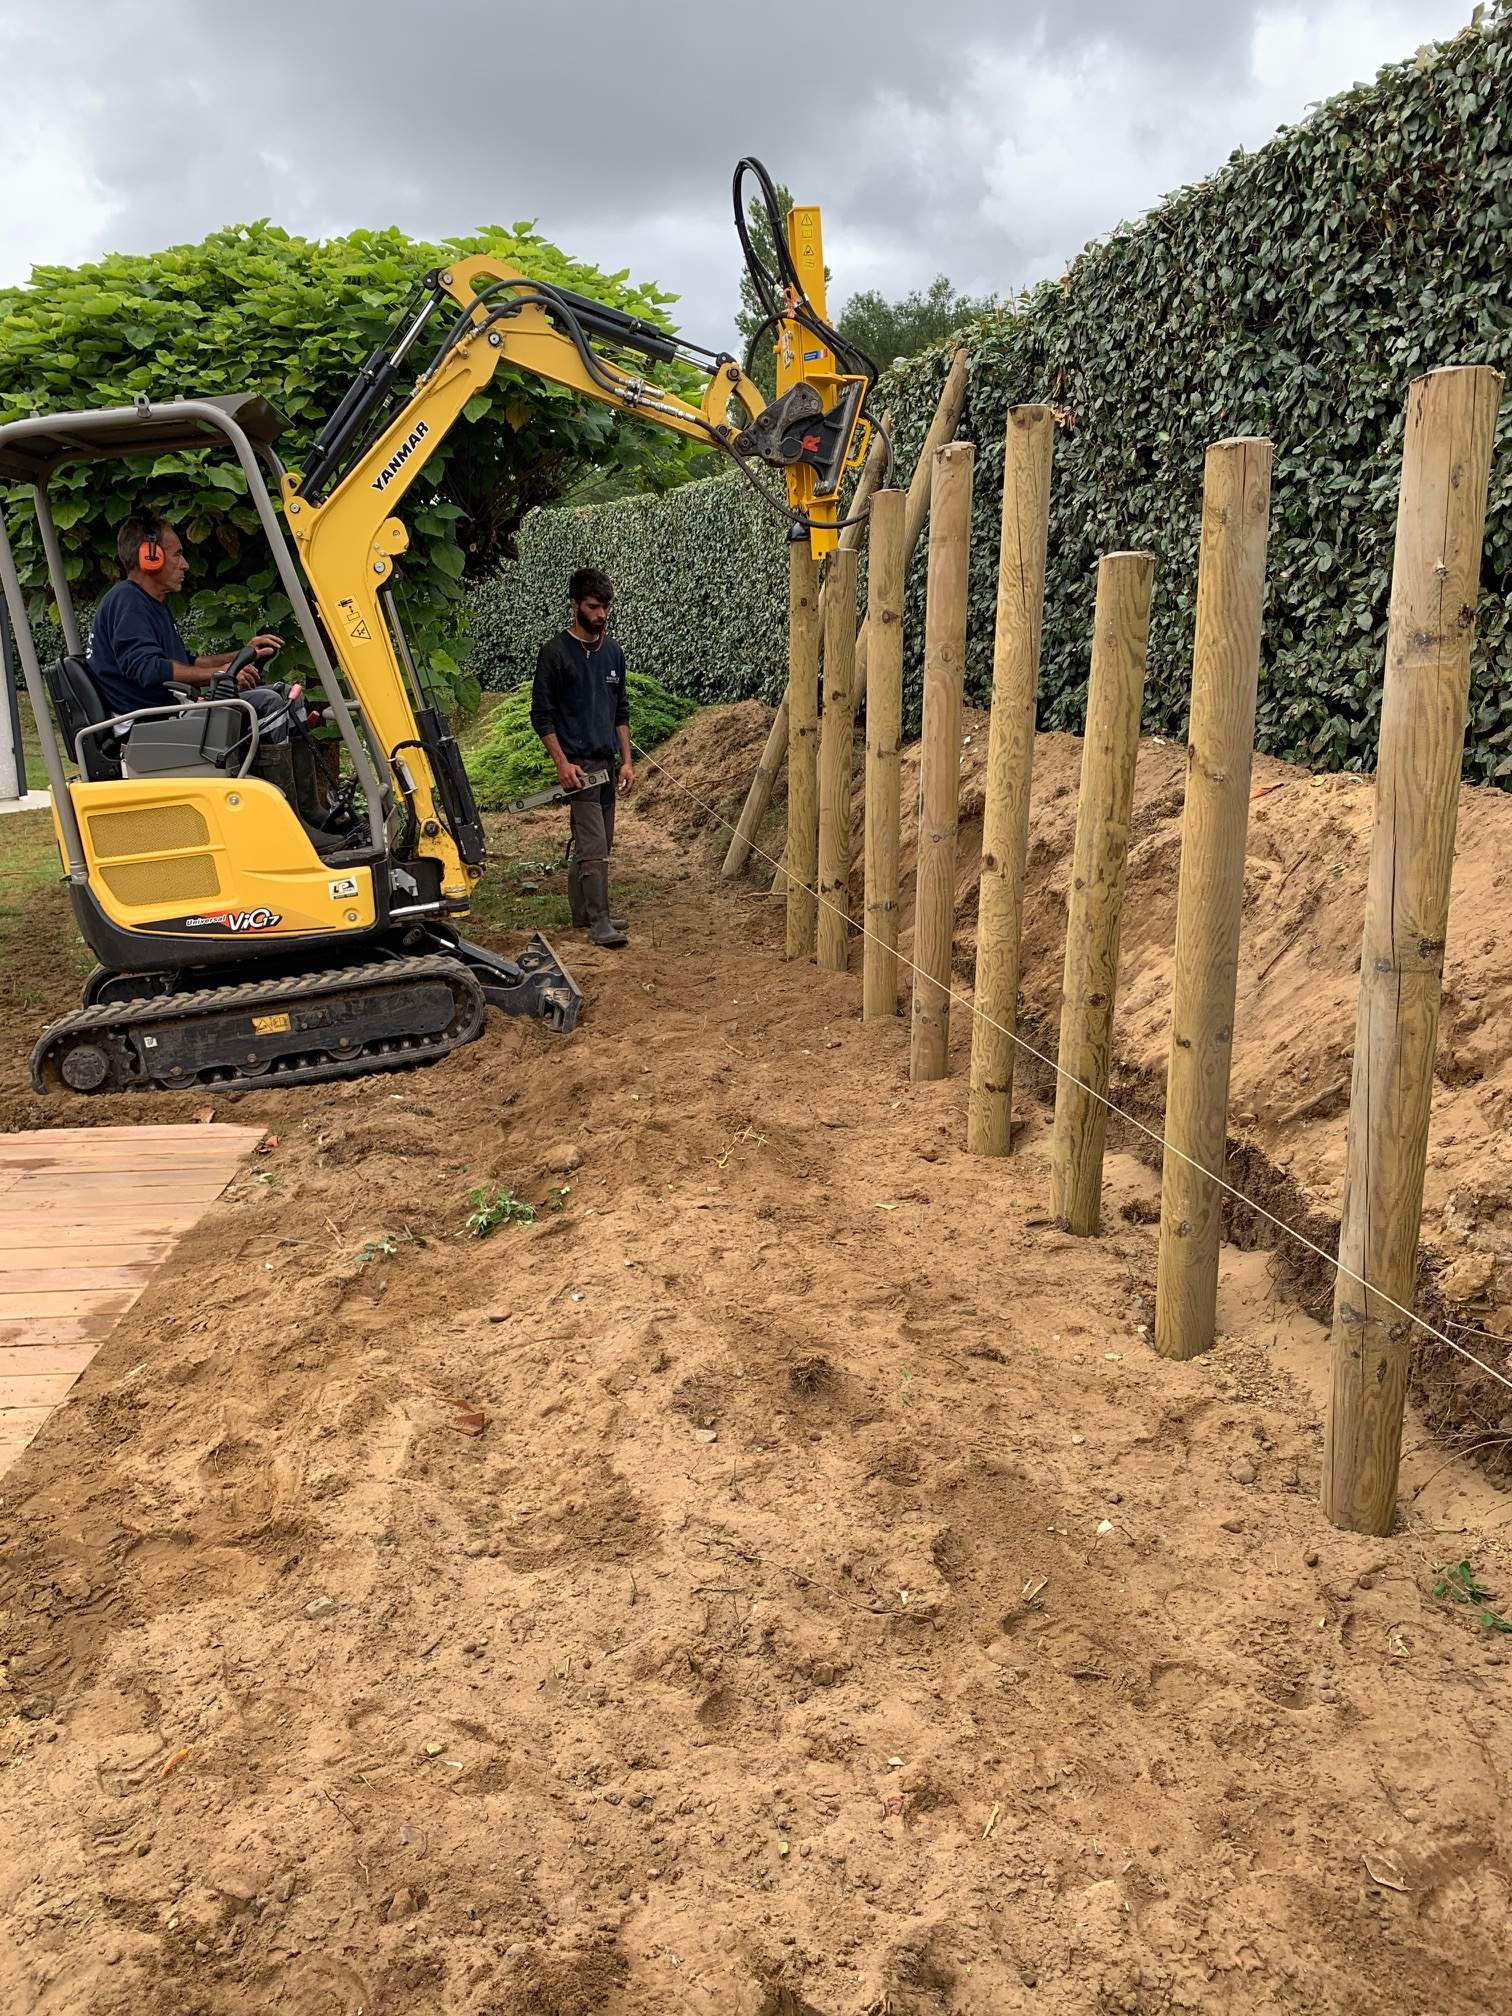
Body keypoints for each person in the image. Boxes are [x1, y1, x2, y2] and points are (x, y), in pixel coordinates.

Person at [87, 511, 290, 741]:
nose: (185, 565)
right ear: (150, 556)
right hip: (143, 726)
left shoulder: (149, 603)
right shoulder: (128, 600)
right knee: (270, 703)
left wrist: (242, 656)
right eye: (177, 554)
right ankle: (280, 766)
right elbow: (147, 669)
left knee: (284, 695)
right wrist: (221, 674)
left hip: (164, 715)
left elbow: (185, 663)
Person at [530, 566, 635, 949]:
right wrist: (561, 762)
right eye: (593, 606)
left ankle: (583, 913)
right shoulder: (555, 654)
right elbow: (541, 715)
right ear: (574, 605)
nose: (601, 614)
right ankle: (600, 923)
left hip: (607, 762)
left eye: (606, 607)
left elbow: (620, 710)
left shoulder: (613, 652)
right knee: (593, 845)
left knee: (602, 842)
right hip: (578, 766)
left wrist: (627, 761)